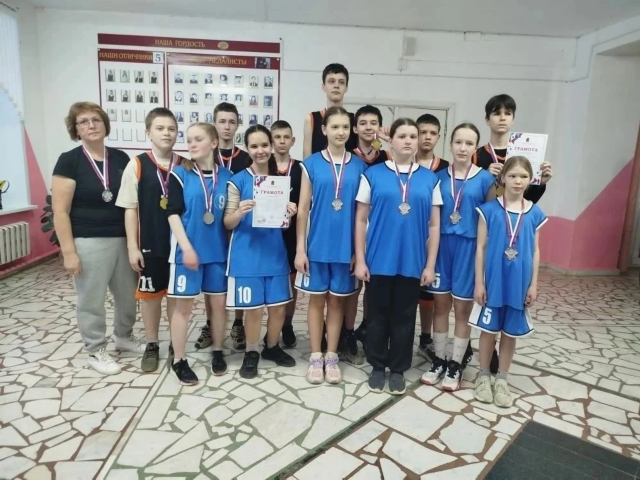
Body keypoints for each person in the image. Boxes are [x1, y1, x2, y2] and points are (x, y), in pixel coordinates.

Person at [52, 102, 143, 375]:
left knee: (128, 295)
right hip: (88, 240)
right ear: (76, 129)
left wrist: (135, 242)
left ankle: (124, 336)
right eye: (83, 122)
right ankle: (95, 349)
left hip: (122, 238)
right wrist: (69, 252)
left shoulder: (121, 158)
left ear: (105, 125)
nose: (91, 125)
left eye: (96, 120)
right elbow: (60, 211)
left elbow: (131, 203)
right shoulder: (69, 160)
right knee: (91, 299)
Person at [355, 118, 441, 394]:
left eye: (412, 136)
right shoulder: (372, 175)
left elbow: (434, 225)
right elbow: (360, 220)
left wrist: (430, 265)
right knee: (377, 316)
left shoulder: (430, 179)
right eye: (402, 136)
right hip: (379, 260)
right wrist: (360, 259)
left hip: (412, 262)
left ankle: (398, 368)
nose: (408, 141)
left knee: (405, 318)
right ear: (389, 140)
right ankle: (377, 365)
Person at [473, 94, 553, 373]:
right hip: (485, 234)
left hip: (515, 250)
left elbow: (527, 204)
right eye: (497, 113)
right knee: (484, 316)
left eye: (507, 113)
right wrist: (486, 174)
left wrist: (541, 182)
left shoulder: (526, 152)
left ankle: (500, 371)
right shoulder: (478, 154)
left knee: (508, 323)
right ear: (487, 119)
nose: (502, 117)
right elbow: (472, 194)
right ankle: (479, 365)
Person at [421, 123, 496, 391]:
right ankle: (439, 359)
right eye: (458, 142)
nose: (463, 148)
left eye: (469, 143)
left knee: (463, 310)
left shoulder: (486, 180)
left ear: (475, 147)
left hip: (469, 248)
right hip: (442, 247)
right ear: (450, 144)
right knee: (441, 306)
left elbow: (490, 221)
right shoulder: (437, 177)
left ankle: (456, 363)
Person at [295, 106, 367, 385]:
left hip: (345, 249)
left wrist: (358, 252)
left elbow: (363, 214)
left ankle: (332, 354)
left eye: (345, 127)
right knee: (316, 301)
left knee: (337, 302)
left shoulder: (360, 167)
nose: (340, 132)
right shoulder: (311, 164)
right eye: (335, 127)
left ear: (351, 131)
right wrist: (300, 249)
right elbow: (303, 209)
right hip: (317, 247)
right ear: (324, 130)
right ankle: (316, 355)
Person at [224, 125, 298, 378]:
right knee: (254, 309)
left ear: (272, 146)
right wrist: (239, 211)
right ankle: (252, 351)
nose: (260, 151)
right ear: (247, 149)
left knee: (278, 307)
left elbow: (283, 225)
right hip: (247, 254)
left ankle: (272, 347)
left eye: (264, 145)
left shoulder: (280, 181)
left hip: (275, 253)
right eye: (254, 146)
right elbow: (228, 223)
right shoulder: (238, 180)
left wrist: (289, 214)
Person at [471, 156, 546, 407]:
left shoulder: (535, 213)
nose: (517, 181)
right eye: (512, 175)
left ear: (530, 180)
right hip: (493, 281)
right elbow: (481, 248)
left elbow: (535, 250)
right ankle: (483, 376)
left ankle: (502, 379)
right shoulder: (489, 210)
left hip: (519, 283)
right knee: (488, 331)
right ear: (502, 177)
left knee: (510, 333)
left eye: (523, 176)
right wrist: (479, 283)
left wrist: (533, 284)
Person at [165, 123, 233, 384]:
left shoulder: (227, 176)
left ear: (214, 143)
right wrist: (187, 248)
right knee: (183, 308)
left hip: (217, 253)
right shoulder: (179, 174)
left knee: (218, 306)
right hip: (187, 254)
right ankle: (179, 360)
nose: (191, 144)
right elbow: (172, 214)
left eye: (198, 139)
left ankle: (217, 350)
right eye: (189, 140)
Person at [116, 108, 182, 372]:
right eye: (160, 128)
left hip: (177, 246)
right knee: (151, 297)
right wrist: (132, 247)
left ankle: (176, 344)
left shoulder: (186, 165)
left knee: (176, 297)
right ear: (148, 132)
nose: (166, 133)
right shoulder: (137, 164)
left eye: (171, 129)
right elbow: (130, 208)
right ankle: (152, 343)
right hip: (150, 244)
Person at [198, 102, 251, 351]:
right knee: (213, 282)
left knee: (238, 276)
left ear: (238, 125)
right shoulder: (204, 156)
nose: (227, 126)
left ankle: (238, 323)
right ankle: (211, 324)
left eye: (232, 122)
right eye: (222, 121)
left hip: (239, 229)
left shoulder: (247, 158)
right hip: (211, 231)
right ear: (214, 124)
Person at [341, 105, 390, 365]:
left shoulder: (388, 158)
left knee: (374, 287)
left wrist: (391, 143)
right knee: (353, 286)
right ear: (355, 128)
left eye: (374, 123)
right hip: (353, 228)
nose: (369, 127)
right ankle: (347, 332)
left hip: (381, 232)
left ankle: (368, 328)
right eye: (363, 123)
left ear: (380, 127)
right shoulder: (348, 157)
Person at [414, 114, 450, 363]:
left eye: (432, 133)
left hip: (436, 238)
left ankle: (426, 338)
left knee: (430, 293)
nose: (427, 137)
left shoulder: (446, 169)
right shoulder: (403, 163)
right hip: (409, 236)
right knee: (407, 292)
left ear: (439, 136)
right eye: (422, 132)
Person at [270, 120, 302, 349]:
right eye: (277, 137)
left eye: (286, 137)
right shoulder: (263, 166)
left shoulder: (301, 169)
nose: (282, 141)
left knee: (291, 283)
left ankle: (287, 324)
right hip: (268, 235)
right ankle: (272, 326)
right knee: (271, 282)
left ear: (293, 141)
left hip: (292, 234)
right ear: (271, 141)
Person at [303, 63, 358, 158]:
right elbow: (307, 159)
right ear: (323, 86)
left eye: (341, 82)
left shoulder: (354, 119)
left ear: (346, 88)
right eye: (331, 81)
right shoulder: (312, 118)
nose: (336, 86)